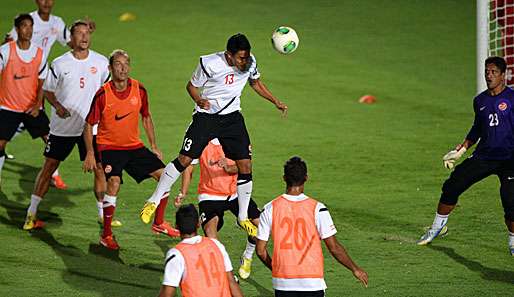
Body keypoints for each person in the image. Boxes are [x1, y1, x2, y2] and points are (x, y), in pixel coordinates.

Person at [141, 33, 288, 238]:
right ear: (229, 56)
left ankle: (243, 216)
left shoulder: (250, 63)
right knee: (185, 159)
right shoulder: (209, 63)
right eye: (241, 58)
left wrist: (275, 101)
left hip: (232, 119)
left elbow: (256, 83)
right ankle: (153, 201)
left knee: (245, 165)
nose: (245, 61)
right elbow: (191, 86)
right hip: (206, 117)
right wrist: (199, 100)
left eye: (247, 57)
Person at [22, 21, 120, 230]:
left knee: (100, 170)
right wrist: (56, 105)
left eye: (87, 34)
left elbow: (107, 90)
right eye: (79, 34)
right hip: (63, 128)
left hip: (91, 128)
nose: (84, 37)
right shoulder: (59, 63)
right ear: (71, 38)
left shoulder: (102, 62)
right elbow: (48, 91)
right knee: (49, 168)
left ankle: (103, 215)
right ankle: (31, 214)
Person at [417, 56, 514, 256]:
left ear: (503, 75)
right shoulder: (480, 101)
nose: (489, 75)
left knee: (510, 202)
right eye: (487, 71)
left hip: (510, 160)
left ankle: (513, 241)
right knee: (453, 185)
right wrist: (460, 150)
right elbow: (477, 129)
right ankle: (437, 227)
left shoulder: (512, 99)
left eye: (494, 72)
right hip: (484, 156)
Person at [83, 49, 178, 250]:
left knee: (166, 175)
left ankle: (159, 223)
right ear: (110, 68)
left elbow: (146, 116)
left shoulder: (139, 89)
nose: (123, 68)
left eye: (126, 63)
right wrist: (90, 153)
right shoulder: (102, 93)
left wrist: (153, 146)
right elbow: (89, 124)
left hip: (134, 146)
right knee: (114, 183)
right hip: (109, 147)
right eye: (118, 64)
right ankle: (106, 234)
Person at [4, 0, 95, 188]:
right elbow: (8, 45)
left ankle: (54, 173)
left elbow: (71, 42)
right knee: (34, 124)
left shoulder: (57, 22)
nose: (46, 3)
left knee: (44, 130)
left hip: (42, 76)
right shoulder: (28, 21)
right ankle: (52, 172)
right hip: (23, 81)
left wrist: (85, 32)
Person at [256, 157, 368, 296]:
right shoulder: (318, 209)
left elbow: (260, 251)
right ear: (306, 177)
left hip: (282, 281)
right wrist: (354, 269)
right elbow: (334, 248)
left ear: (284, 178)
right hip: (311, 281)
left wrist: (275, 268)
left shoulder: (269, 208)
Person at [175, 138, 261, 279]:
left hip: (235, 193)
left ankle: (248, 255)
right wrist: (182, 192)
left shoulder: (235, 134)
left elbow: (246, 166)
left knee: (261, 228)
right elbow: (189, 166)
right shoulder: (201, 134)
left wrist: (228, 167)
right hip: (209, 195)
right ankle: (228, 275)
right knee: (212, 239)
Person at [0, 14, 49, 188]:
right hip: (8, 107)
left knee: (52, 142)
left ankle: (51, 174)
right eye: (24, 26)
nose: (28, 30)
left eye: (30, 26)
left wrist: (37, 104)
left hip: (31, 107)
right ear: (17, 29)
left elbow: (42, 81)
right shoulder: (5, 51)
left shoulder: (39, 53)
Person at [158, 204, 243, 297]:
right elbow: (231, 282)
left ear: (177, 226)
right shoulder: (216, 245)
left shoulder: (176, 254)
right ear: (198, 224)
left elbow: (167, 293)